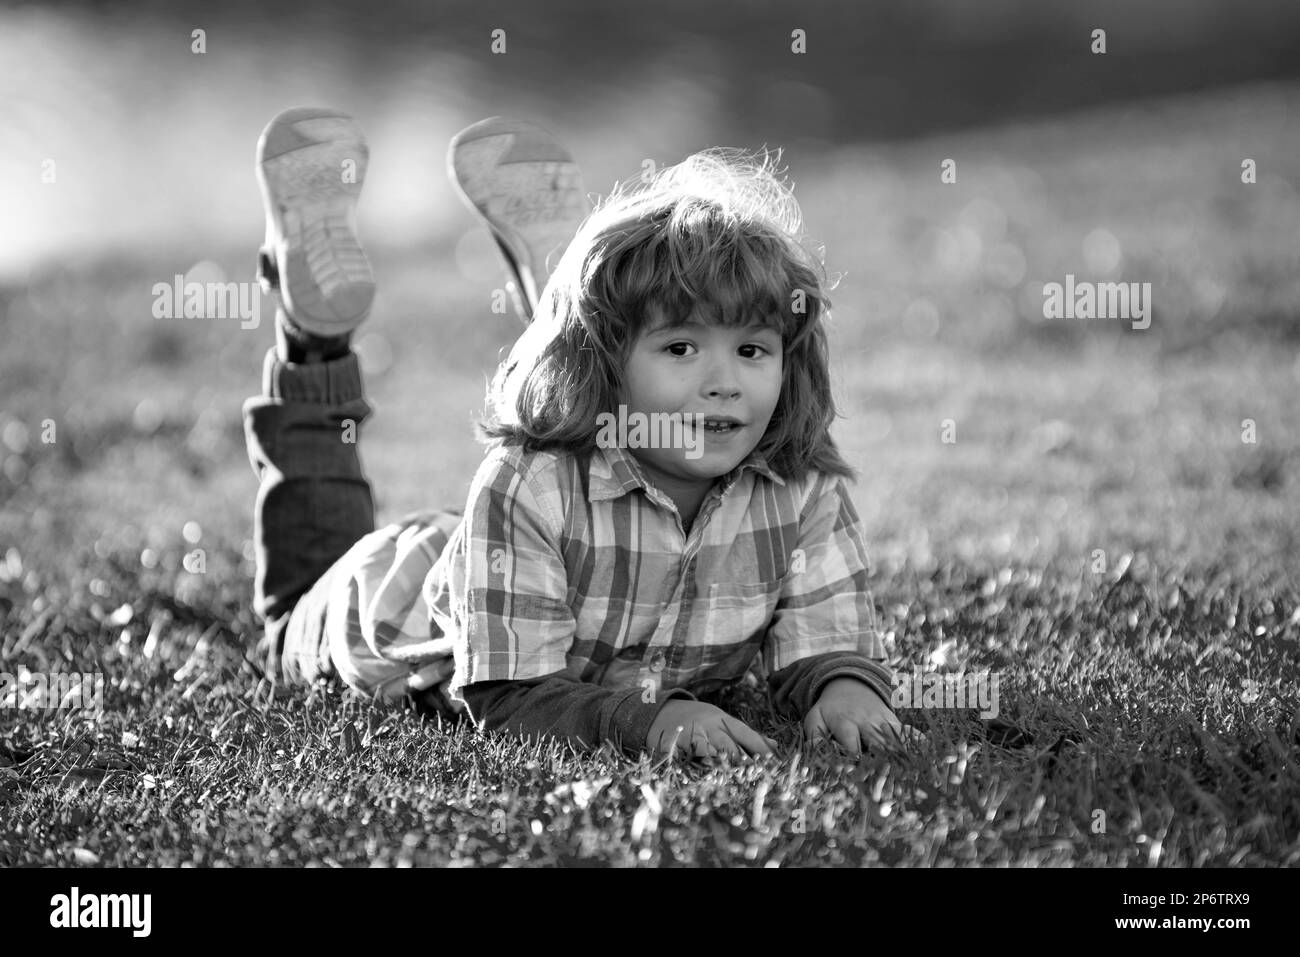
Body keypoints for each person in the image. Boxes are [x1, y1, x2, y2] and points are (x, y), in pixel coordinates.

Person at [244, 107, 905, 760]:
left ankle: (575, 298)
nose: (724, 382)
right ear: (607, 366)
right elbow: (508, 698)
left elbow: (826, 636)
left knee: (586, 396)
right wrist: (650, 720)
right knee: (290, 611)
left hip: (520, 561)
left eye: (752, 350)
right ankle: (313, 342)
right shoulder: (528, 484)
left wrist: (846, 689)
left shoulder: (801, 487)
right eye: (681, 348)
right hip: (375, 605)